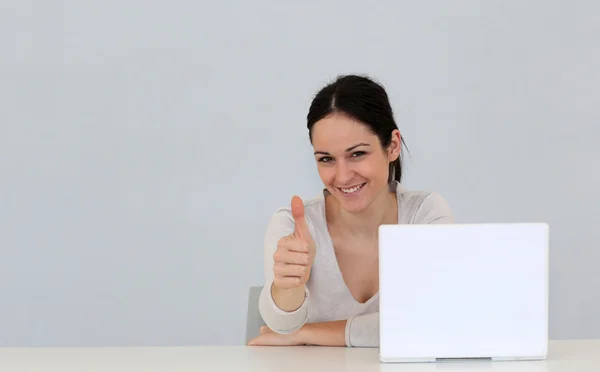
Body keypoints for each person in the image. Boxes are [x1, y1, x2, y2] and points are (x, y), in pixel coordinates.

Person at [247, 74, 453, 347]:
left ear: (392, 146)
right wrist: (288, 286)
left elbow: (434, 321)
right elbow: (281, 329)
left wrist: (310, 333)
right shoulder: (294, 226)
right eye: (326, 159)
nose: (343, 177)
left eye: (357, 154)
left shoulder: (425, 215)